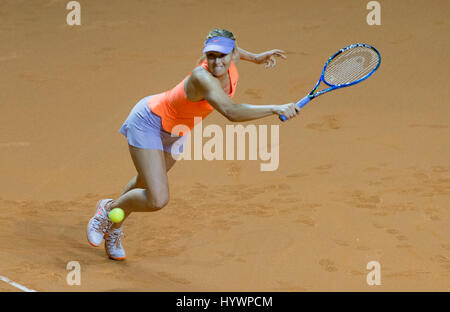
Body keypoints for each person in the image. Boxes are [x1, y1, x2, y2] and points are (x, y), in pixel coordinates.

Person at [87, 28, 299, 260]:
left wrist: (256, 58)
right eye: (211, 55)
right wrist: (274, 108)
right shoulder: (202, 77)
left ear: (233, 52)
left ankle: (114, 226)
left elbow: (240, 53)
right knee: (157, 198)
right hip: (148, 122)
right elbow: (231, 112)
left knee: (144, 181)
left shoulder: (233, 57)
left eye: (223, 55)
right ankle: (108, 211)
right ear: (206, 55)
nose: (217, 61)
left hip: (178, 131)